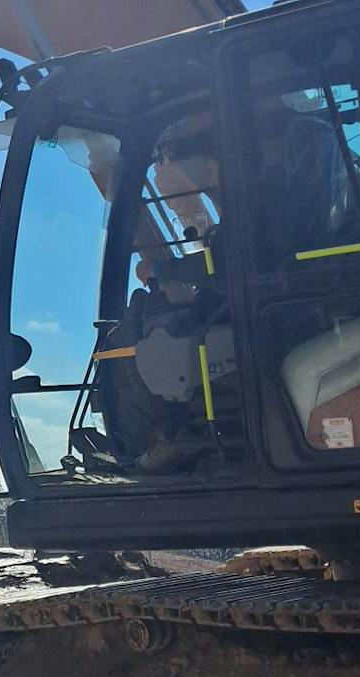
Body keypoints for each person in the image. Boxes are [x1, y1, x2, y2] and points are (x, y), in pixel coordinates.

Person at [95, 115, 232, 474]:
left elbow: (232, 261)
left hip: (258, 321)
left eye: (169, 163)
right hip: (260, 312)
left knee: (130, 343)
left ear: (206, 159)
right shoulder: (261, 198)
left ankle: (151, 448)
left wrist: (161, 270)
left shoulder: (249, 207)